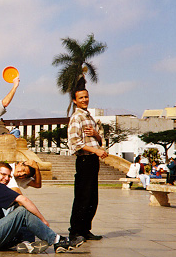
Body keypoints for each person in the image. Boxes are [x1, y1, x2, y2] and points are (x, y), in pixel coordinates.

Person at [0, 162, 85, 254]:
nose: (6, 178)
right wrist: (42, 220)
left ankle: (25, 243)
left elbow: (35, 186)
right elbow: (24, 200)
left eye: (9, 176)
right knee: (22, 211)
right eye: (3, 174)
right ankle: (57, 241)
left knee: (15, 208)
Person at [67, 88, 108, 242]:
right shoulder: (76, 117)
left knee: (92, 198)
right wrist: (95, 151)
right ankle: (75, 231)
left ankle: (85, 229)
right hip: (84, 160)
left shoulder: (89, 117)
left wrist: (96, 135)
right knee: (82, 197)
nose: (84, 100)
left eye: (86, 97)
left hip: (93, 161)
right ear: (75, 101)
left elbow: (99, 138)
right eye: (81, 98)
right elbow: (75, 143)